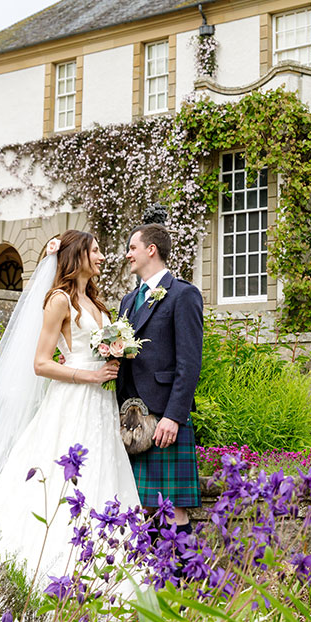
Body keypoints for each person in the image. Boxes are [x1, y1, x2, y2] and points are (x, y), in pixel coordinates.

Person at [0, 230, 140, 588]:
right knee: (60, 484)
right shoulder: (58, 300)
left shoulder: (99, 304)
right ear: (77, 255)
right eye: (96, 250)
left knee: (103, 474)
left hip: (101, 404)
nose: (101, 257)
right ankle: (43, 572)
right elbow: (40, 363)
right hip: (71, 401)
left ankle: (103, 573)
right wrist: (89, 375)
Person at [116, 224, 204, 536]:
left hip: (164, 414)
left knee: (172, 507)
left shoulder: (183, 294)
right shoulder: (128, 301)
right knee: (143, 507)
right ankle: (151, 581)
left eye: (133, 248)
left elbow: (190, 362)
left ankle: (183, 579)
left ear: (151, 250)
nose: (128, 254)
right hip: (133, 418)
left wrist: (174, 416)